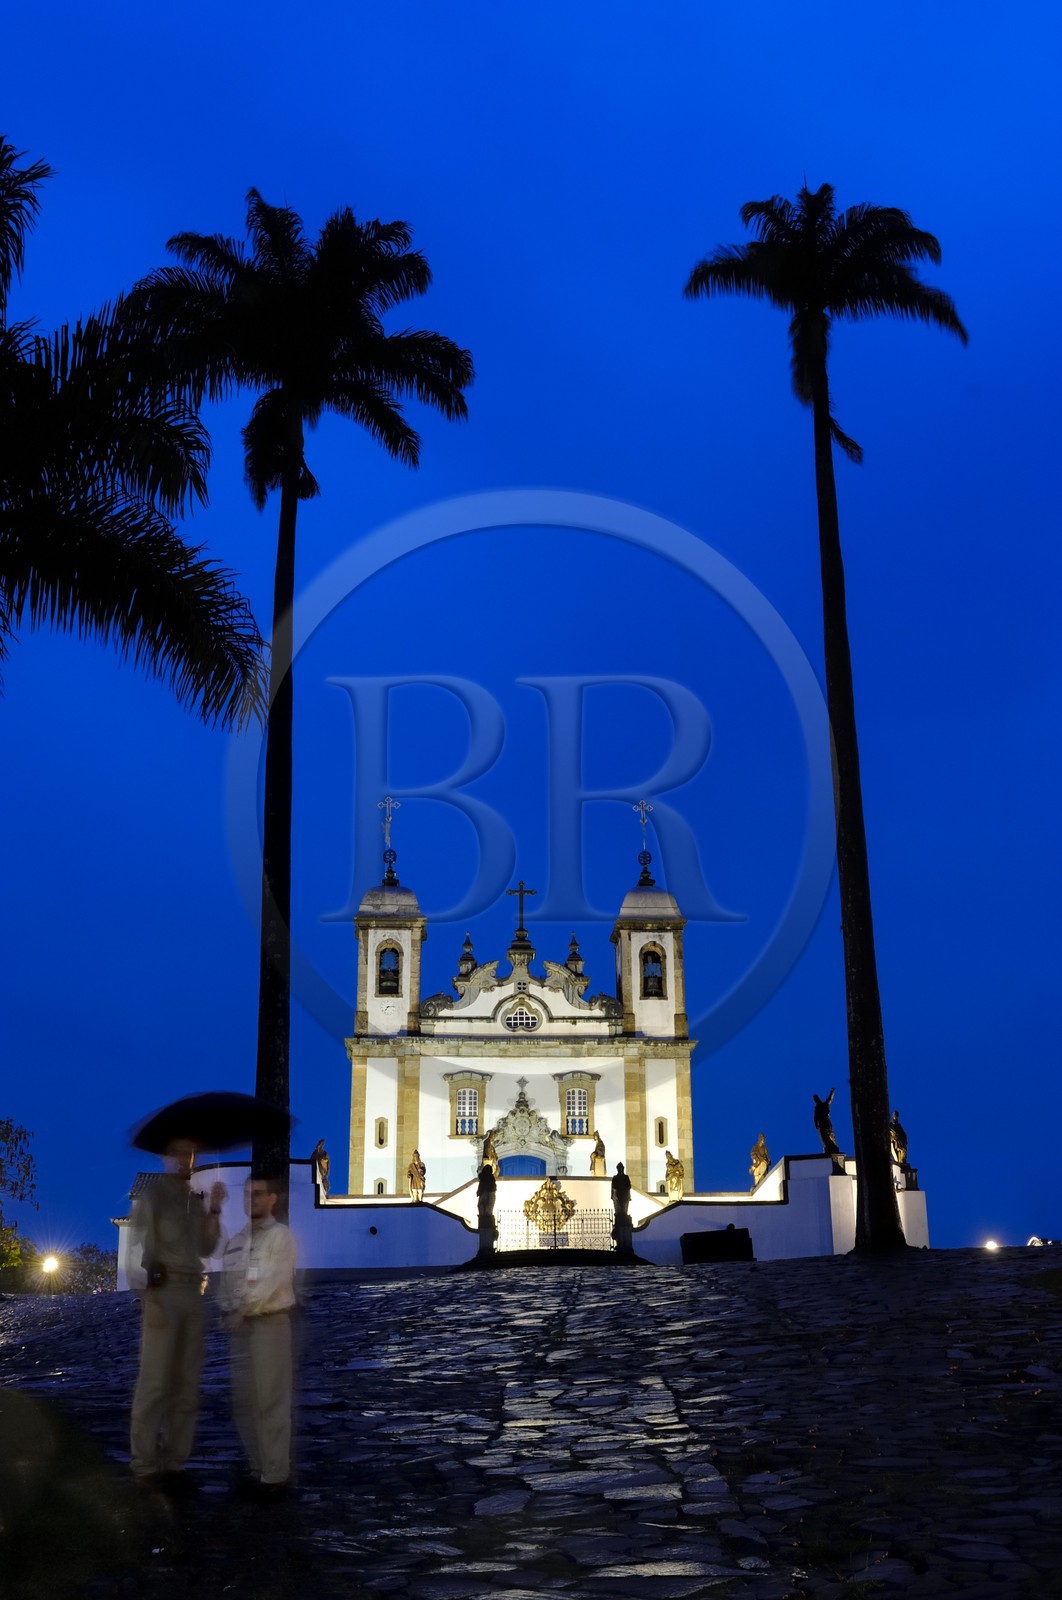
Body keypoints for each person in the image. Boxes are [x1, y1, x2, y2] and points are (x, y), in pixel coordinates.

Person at [128, 1137, 225, 1490]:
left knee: (187, 1386)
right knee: (154, 1383)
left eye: (191, 1153)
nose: (187, 1159)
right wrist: (150, 1299)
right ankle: (143, 1465)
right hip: (164, 1293)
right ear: (168, 1157)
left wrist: (214, 1209)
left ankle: (175, 1463)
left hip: (192, 1293)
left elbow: (207, 1247)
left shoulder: (193, 1202)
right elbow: (143, 1250)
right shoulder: (154, 1197)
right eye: (180, 1153)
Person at [221, 1175, 297, 1501]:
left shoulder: (281, 1237)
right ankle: (257, 1468)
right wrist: (228, 1308)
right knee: (245, 1404)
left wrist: (244, 1308)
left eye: (259, 1193)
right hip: (241, 1329)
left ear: (272, 1199)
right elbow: (228, 1281)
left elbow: (273, 1280)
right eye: (247, 1193)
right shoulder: (237, 1240)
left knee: (271, 1401)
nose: (251, 1198)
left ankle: (275, 1475)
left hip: (270, 1323)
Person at [813, 1089, 840, 1157]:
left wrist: (832, 1092)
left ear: (818, 1099)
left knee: (830, 1134)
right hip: (821, 1124)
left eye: (816, 1099)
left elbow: (829, 1099)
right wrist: (816, 1123)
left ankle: (833, 1146)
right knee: (823, 1136)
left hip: (826, 1123)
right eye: (814, 1099)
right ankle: (828, 1146)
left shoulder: (824, 1105)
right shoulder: (817, 1108)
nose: (815, 1100)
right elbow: (815, 1117)